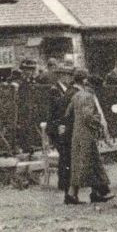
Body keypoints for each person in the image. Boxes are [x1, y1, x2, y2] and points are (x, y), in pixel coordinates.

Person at [65, 70, 114, 205]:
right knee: (86, 164)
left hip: (77, 133)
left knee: (83, 164)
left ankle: (87, 193)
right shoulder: (88, 97)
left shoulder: (76, 96)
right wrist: (97, 121)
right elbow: (88, 117)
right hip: (86, 135)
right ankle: (78, 194)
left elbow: (68, 113)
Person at [46, 61, 78, 192]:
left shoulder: (66, 90)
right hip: (57, 127)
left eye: (70, 76)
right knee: (64, 155)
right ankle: (63, 183)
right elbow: (56, 110)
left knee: (67, 155)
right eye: (67, 76)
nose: (69, 79)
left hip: (63, 126)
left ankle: (67, 181)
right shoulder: (55, 90)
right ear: (61, 76)